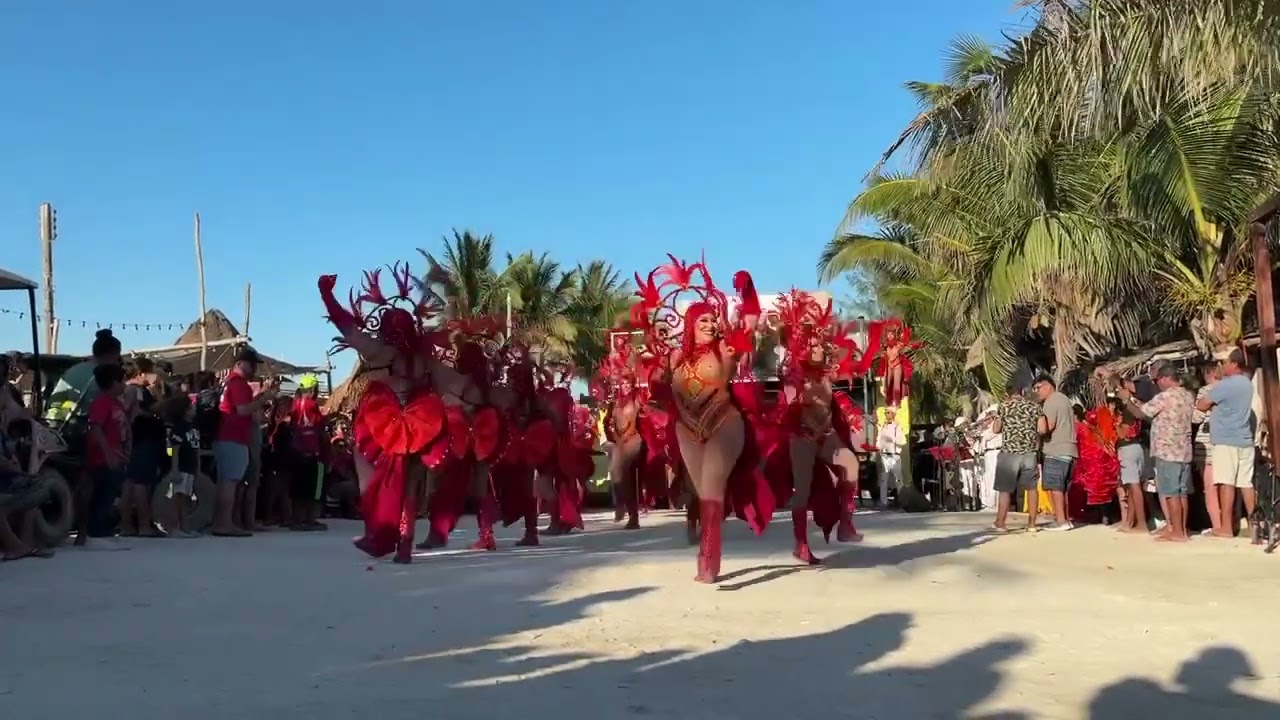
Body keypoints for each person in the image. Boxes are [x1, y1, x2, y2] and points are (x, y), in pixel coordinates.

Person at [632, 256, 771, 583]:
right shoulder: (674, 357)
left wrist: (747, 288)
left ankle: (709, 559)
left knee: (711, 489)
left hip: (725, 423)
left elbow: (749, 322)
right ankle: (707, 547)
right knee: (703, 491)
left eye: (713, 320)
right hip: (687, 430)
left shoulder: (727, 349)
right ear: (690, 324)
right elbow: (655, 382)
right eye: (702, 320)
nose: (709, 325)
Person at [319, 265, 447, 563]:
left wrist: (327, 295)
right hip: (419, 420)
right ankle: (405, 544)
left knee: (370, 479)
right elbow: (445, 387)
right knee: (412, 485)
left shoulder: (379, 352)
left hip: (384, 421)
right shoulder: (424, 360)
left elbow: (345, 326)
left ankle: (375, 533)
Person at [768, 289, 865, 562]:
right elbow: (787, 407)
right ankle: (800, 543)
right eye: (812, 345)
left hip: (826, 434)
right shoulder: (794, 374)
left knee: (851, 465)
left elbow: (848, 362)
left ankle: (845, 524)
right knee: (804, 489)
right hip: (801, 437)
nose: (819, 349)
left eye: (822, 345)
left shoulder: (824, 376)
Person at [1117, 365, 1194, 542]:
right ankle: (1180, 529)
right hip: (1184, 450)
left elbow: (1140, 413)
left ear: (1166, 378)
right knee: (1181, 493)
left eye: (1157, 380)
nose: (1156, 384)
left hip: (1167, 450)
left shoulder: (1165, 396)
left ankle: (1176, 532)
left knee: (1170, 493)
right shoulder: (1187, 395)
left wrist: (1128, 399)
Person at [212, 348, 276, 537]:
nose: (254, 367)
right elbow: (242, 410)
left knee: (227, 481)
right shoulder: (238, 384)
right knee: (230, 482)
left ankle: (222, 522)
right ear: (239, 363)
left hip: (227, 436)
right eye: (251, 363)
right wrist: (264, 398)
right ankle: (224, 524)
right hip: (233, 437)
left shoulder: (228, 382)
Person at [1196, 348, 1257, 537]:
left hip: (1226, 440)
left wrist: (1214, 403)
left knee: (1226, 483)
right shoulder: (1247, 383)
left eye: (1223, 362)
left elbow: (1202, 404)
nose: (1220, 366)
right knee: (1246, 484)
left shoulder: (1225, 385)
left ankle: (1225, 528)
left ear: (1234, 363)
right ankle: (1256, 526)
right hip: (1245, 439)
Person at [80, 363, 130, 550]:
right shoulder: (100, 402)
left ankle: (105, 531)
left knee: (109, 494)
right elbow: (96, 428)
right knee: (102, 494)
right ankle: (96, 534)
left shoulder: (116, 403)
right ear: (113, 382)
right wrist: (108, 453)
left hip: (116, 455)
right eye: (122, 380)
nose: (125, 384)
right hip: (102, 458)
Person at [120, 358, 166, 538]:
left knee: (129, 482)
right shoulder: (136, 390)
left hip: (134, 441)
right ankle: (143, 524)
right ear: (142, 374)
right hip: (143, 440)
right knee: (141, 483)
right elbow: (153, 409)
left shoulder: (126, 389)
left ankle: (126, 524)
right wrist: (158, 392)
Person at [990, 384, 1041, 532]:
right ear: (1022, 391)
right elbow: (1042, 429)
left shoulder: (1004, 407)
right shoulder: (1034, 407)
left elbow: (996, 429)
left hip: (1009, 452)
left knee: (1005, 489)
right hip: (1029, 452)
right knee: (1031, 488)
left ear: (1007, 393)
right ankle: (1032, 524)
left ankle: (1001, 522)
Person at [45, 329, 122, 421]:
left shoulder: (71, 372)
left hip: (70, 426)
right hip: (100, 428)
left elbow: (54, 401)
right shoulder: (108, 376)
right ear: (114, 354)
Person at [1033, 374, 1078, 531]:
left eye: (1037, 388)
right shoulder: (1064, 399)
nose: (1036, 392)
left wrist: (1037, 424)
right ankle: (1064, 518)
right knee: (1061, 487)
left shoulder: (1051, 401)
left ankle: (1061, 521)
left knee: (1055, 487)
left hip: (1056, 449)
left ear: (1048, 386)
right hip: (1069, 449)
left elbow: (1047, 427)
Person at [289, 374, 328, 531]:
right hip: (312, 452)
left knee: (298, 487)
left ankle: (298, 519)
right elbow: (319, 427)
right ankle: (310, 520)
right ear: (312, 390)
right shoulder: (312, 405)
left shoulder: (295, 405)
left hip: (298, 451)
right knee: (314, 488)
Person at [161, 395, 202, 538]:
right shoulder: (178, 428)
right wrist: (174, 469)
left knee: (186, 497)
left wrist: (198, 468)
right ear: (184, 410)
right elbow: (173, 449)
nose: (194, 408)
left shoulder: (194, 427)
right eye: (191, 406)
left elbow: (196, 449)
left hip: (190, 468)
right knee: (177, 497)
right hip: (181, 467)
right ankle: (174, 526)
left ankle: (184, 527)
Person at [1193, 363, 1222, 535]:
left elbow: (1196, 418)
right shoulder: (1229, 388)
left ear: (1208, 373)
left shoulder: (1206, 391)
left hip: (1207, 442)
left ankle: (1217, 525)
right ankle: (1229, 522)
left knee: (1210, 488)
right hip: (1225, 442)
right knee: (1226, 486)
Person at [876, 407, 906, 508]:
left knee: (898, 479)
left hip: (894, 455)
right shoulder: (883, 426)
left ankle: (902, 500)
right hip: (885, 455)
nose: (886, 414)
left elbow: (902, 441)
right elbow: (879, 438)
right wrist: (878, 446)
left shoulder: (897, 426)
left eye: (888, 412)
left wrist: (892, 439)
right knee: (884, 479)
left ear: (893, 414)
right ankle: (883, 501)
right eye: (885, 413)